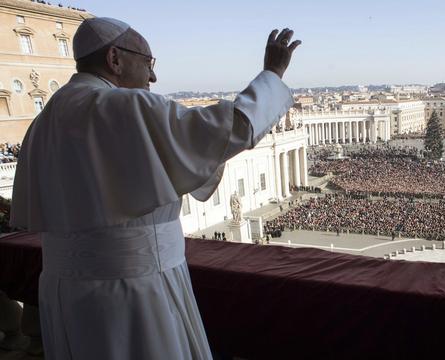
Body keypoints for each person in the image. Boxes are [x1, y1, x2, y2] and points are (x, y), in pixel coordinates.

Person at [10, 17, 301, 360]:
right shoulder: (124, 106)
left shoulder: (43, 122)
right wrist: (272, 75)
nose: (153, 76)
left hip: (64, 293)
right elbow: (228, 130)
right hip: (133, 289)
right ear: (115, 59)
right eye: (148, 63)